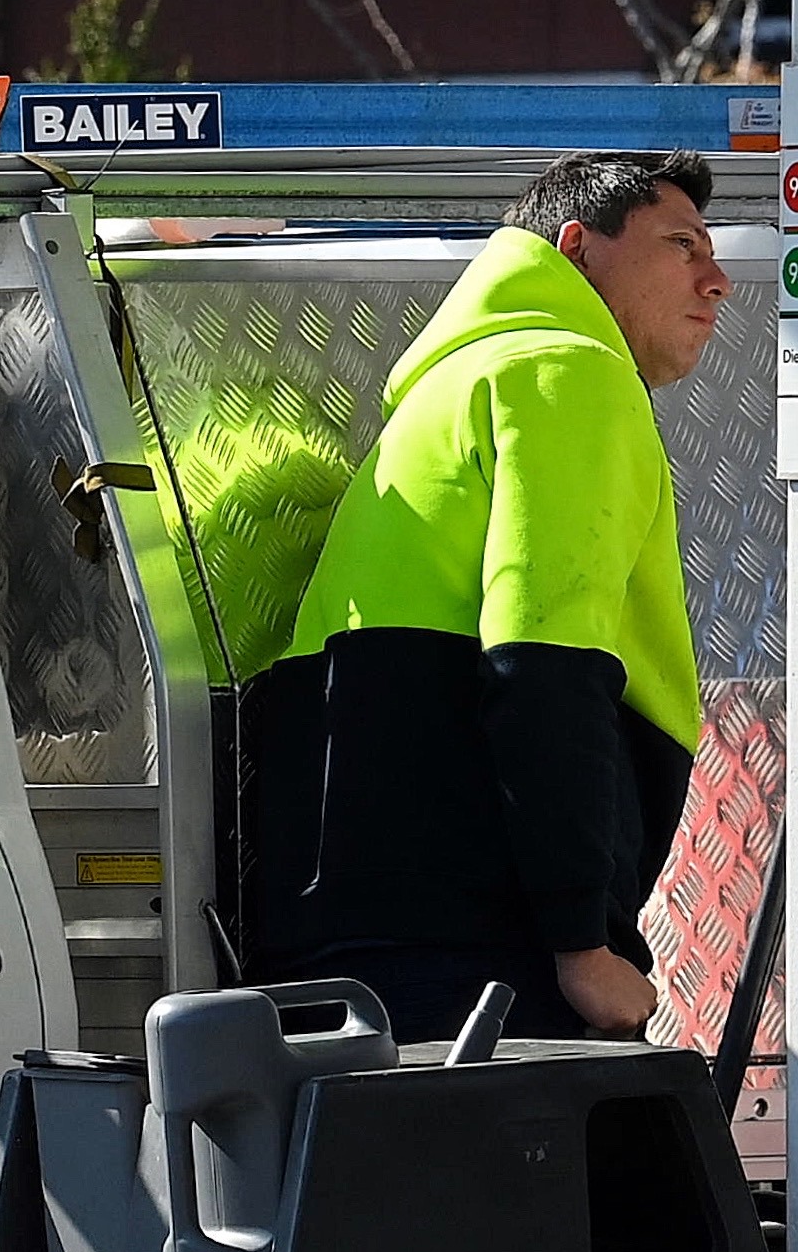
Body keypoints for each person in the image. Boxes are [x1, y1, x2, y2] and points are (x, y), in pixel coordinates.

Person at [244, 149, 731, 1047]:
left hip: (368, 917)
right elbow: (544, 663)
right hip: (480, 942)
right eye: (681, 245)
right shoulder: (567, 374)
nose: (717, 279)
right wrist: (581, 941)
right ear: (577, 249)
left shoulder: (455, 384)